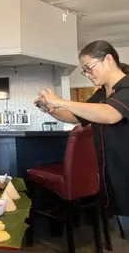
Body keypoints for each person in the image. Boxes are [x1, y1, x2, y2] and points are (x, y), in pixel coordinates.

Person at [35, 40, 129, 234]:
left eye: (89, 68)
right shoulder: (103, 93)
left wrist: (61, 100)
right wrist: (51, 109)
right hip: (115, 176)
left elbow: (111, 114)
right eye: (84, 71)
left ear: (108, 59)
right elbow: (74, 116)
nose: (88, 74)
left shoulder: (127, 86)